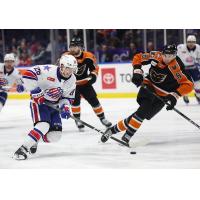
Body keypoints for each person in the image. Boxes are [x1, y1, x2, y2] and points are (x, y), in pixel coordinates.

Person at [101, 44, 193, 144]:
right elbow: (138, 57)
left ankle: (111, 130)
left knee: (139, 115)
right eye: (167, 55)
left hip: (163, 96)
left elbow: (188, 84)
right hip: (148, 88)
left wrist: (175, 95)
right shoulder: (155, 55)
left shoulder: (177, 66)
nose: (169, 58)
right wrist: (137, 71)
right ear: (162, 53)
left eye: (172, 56)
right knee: (142, 113)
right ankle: (127, 137)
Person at [13, 55, 77, 160]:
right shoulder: (49, 70)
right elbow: (31, 73)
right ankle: (22, 149)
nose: (69, 72)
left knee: (55, 136)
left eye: (72, 69)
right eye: (67, 68)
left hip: (54, 106)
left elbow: (67, 97)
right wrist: (24, 85)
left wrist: (65, 107)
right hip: (39, 103)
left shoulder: (72, 80)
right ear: (61, 65)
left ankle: (34, 140)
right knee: (43, 126)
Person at [62, 36, 112, 131]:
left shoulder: (88, 56)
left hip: (85, 83)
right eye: (71, 46)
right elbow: (59, 69)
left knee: (94, 101)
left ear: (81, 47)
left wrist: (93, 76)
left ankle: (102, 118)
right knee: (75, 102)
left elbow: (95, 68)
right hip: (72, 84)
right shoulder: (66, 56)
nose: (72, 49)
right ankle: (77, 120)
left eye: (75, 46)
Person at [177, 35, 200, 104]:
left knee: (197, 83)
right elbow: (176, 57)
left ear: (195, 42)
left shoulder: (198, 47)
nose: (191, 43)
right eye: (189, 42)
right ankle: (185, 95)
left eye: (192, 42)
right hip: (184, 69)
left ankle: (198, 95)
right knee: (185, 83)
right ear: (186, 42)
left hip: (194, 68)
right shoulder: (180, 47)